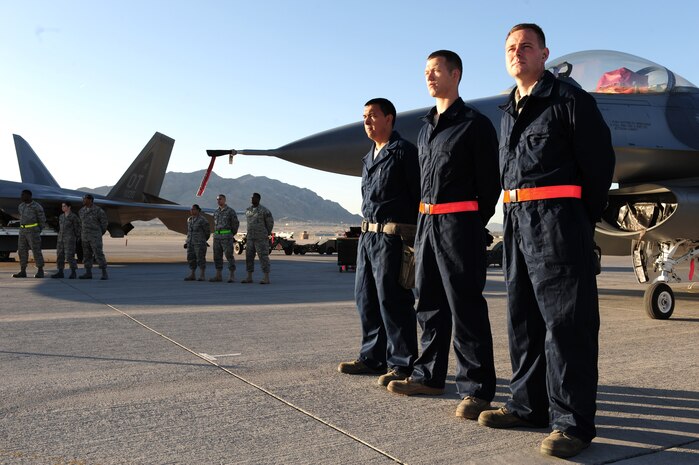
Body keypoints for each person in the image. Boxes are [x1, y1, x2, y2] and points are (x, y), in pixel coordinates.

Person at [477, 24, 615, 459]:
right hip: (516, 222)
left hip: (558, 221)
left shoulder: (570, 101)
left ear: (544, 54)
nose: (519, 53)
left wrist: (574, 221)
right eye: (512, 48)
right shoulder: (509, 110)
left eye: (527, 47)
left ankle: (572, 424)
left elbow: (599, 168)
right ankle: (528, 405)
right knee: (523, 319)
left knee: (566, 326)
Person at [387, 50, 501, 423]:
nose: (429, 77)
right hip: (427, 225)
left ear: (456, 74)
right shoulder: (424, 128)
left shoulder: (475, 124)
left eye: (436, 70)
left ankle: (477, 388)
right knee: (428, 303)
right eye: (426, 72)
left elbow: (489, 185)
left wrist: (467, 222)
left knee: (465, 305)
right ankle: (428, 376)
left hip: (459, 225)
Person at [337, 98, 420, 387]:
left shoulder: (404, 153)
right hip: (368, 237)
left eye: (373, 116)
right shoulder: (369, 156)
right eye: (364, 117)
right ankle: (372, 358)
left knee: (393, 300)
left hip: (393, 238)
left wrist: (414, 239)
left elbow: (419, 196)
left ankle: (403, 363)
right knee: (366, 299)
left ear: (390, 118)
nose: (367, 121)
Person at [12, 189, 47, 278]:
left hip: (33, 231)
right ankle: (23, 271)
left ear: (29, 196)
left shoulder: (36, 206)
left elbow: (42, 220)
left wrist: (38, 230)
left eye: (23, 195)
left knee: (36, 251)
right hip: (22, 231)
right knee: (22, 251)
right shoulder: (21, 206)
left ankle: (40, 270)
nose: (21, 196)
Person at [241, 193, 274, 284]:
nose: (252, 199)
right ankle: (249, 277)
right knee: (249, 257)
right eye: (251, 197)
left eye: (254, 198)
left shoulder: (264, 211)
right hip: (250, 238)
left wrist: (265, 233)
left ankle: (266, 277)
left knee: (263, 257)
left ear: (258, 199)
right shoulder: (248, 210)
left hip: (261, 238)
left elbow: (270, 224)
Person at [209, 194, 240, 283]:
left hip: (226, 237)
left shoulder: (230, 211)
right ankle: (218, 275)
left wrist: (230, 234)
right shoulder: (216, 212)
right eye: (217, 199)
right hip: (217, 237)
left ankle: (231, 276)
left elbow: (235, 224)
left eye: (220, 199)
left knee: (229, 256)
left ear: (225, 200)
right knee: (217, 257)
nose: (218, 201)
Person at [79, 194, 109, 280]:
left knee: (98, 254)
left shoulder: (98, 210)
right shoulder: (81, 211)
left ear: (90, 200)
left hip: (95, 237)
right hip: (85, 237)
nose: (83, 200)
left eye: (84, 199)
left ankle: (104, 273)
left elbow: (104, 224)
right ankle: (88, 273)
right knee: (86, 255)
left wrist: (98, 233)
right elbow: (81, 224)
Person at [51, 201, 81, 279]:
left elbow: (78, 228)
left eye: (64, 206)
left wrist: (76, 237)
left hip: (70, 239)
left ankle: (73, 272)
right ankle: (60, 272)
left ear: (69, 207)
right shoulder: (61, 216)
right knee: (60, 255)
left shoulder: (73, 217)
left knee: (69, 256)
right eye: (62, 206)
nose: (62, 208)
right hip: (61, 239)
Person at [184, 204, 210, 281]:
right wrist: (187, 241)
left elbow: (207, 232)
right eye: (191, 209)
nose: (192, 211)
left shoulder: (202, 220)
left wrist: (202, 240)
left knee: (200, 259)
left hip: (199, 243)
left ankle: (202, 275)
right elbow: (189, 232)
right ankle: (192, 274)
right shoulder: (189, 220)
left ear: (198, 210)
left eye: (193, 209)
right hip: (190, 242)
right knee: (191, 258)